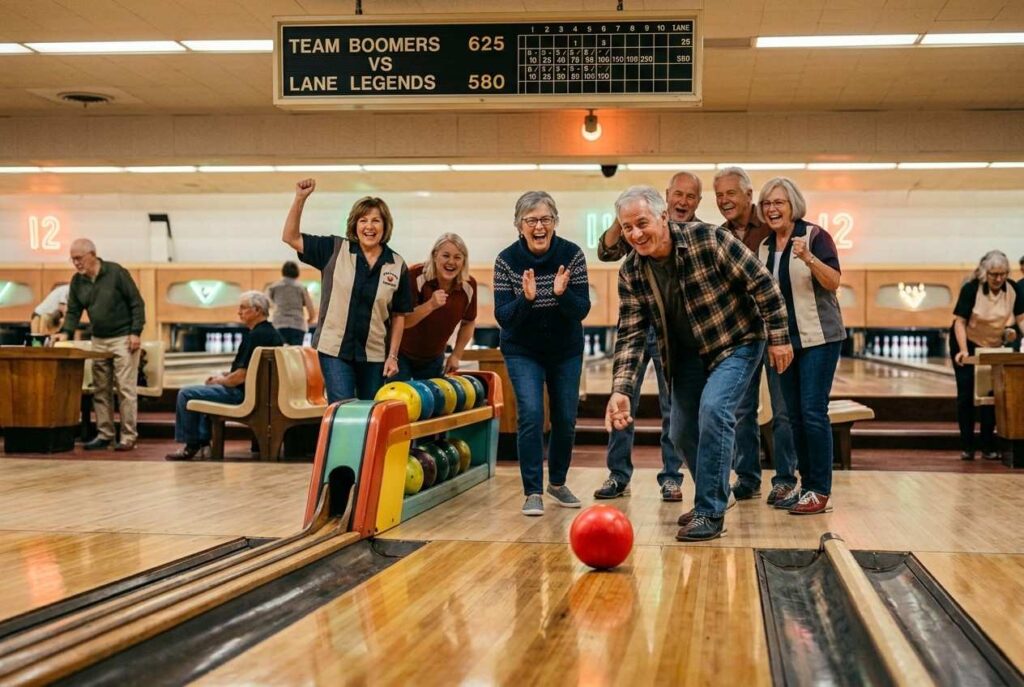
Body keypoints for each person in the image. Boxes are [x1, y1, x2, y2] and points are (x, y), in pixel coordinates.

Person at [605, 186, 792, 542]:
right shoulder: (631, 270)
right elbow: (630, 333)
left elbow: (763, 284)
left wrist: (780, 338)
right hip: (687, 355)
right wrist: (621, 390)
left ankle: (710, 509)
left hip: (736, 342)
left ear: (663, 216)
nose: (635, 234)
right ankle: (715, 492)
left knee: (714, 410)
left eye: (642, 223)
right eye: (627, 228)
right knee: (680, 431)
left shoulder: (708, 239)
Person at [593, 171, 704, 503]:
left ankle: (671, 476)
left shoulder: (699, 236)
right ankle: (618, 473)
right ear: (666, 197)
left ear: (698, 202)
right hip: (639, 324)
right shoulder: (638, 227)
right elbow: (605, 252)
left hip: (675, 333)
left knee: (673, 407)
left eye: (690, 196)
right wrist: (627, 217)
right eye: (678, 194)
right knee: (623, 395)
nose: (683, 201)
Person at [494, 191, 591, 517]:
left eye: (546, 219)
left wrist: (562, 295)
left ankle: (557, 482)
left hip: (565, 349)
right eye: (531, 220)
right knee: (532, 414)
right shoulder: (506, 260)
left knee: (565, 418)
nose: (539, 226)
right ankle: (532, 491)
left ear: (555, 222)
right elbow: (503, 316)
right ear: (519, 225)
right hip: (523, 350)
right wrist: (526, 299)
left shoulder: (572, 255)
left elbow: (581, 309)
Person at [756, 177, 846, 515]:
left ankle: (820, 490)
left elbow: (833, 281)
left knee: (812, 412)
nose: (772, 209)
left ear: (793, 205)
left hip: (819, 338)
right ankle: (806, 486)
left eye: (778, 202)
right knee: (793, 416)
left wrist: (809, 258)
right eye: (767, 203)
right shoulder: (764, 247)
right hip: (784, 343)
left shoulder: (815, 236)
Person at [282, 178, 412, 402]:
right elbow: (290, 237)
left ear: (385, 226)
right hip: (334, 350)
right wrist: (300, 199)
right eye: (363, 220)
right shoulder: (334, 249)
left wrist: (393, 356)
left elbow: (399, 315)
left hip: (374, 354)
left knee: (370, 411)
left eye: (376, 220)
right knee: (343, 408)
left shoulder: (397, 264)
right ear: (354, 225)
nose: (369, 227)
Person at [715, 166, 797, 505]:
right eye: (719, 195)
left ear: (749, 195)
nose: (724, 200)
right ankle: (747, 478)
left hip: (775, 331)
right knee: (741, 410)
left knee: (782, 409)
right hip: (741, 335)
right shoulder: (718, 235)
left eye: (731, 193)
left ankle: (785, 479)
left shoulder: (768, 225)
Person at [166, 292, 284, 461]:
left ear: (257, 310)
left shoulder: (255, 336)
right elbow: (251, 370)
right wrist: (227, 375)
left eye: (243, 308)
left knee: (186, 394)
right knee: (205, 392)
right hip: (260, 394)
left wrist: (220, 380)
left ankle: (192, 445)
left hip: (243, 395)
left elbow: (241, 377)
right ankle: (202, 444)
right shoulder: (271, 333)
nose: (239, 312)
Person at [52, 239, 145, 451]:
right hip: (99, 340)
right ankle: (105, 435)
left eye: (79, 258)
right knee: (100, 390)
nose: (76, 263)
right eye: (73, 259)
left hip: (123, 338)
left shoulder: (116, 273)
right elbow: (74, 311)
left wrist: (135, 332)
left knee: (125, 389)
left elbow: (136, 303)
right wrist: (65, 332)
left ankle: (128, 436)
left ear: (92, 254)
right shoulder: (78, 281)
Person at [950, 250, 1024, 460]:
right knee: (966, 395)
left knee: (991, 395)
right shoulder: (971, 288)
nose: (998, 279)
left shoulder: (1013, 289)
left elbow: (1021, 319)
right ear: (985, 273)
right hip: (967, 342)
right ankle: (967, 446)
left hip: (993, 346)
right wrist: (963, 350)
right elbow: (960, 322)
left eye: (1002, 274)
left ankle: (988, 446)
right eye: (993, 274)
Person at [397, 233, 477, 380]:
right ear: (435, 256)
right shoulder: (414, 276)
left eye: (457, 257)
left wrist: (456, 355)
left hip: (434, 358)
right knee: (401, 394)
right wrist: (430, 305)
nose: (451, 262)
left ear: (464, 261)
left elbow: (469, 322)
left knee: (432, 395)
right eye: (445, 256)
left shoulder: (469, 286)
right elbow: (403, 321)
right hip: (401, 354)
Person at [267, 261, 316, 345]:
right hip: (297, 325)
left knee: (280, 351)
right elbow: (310, 308)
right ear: (297, 272)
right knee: (295, 352)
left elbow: (268, 303)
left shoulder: (274, 287)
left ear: (283, 271)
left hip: (279, 323)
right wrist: (309, 320)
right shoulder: (301, 288)